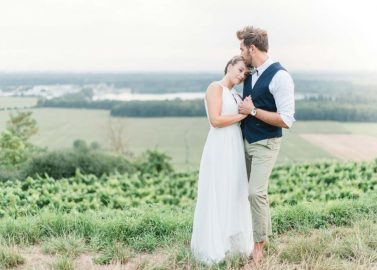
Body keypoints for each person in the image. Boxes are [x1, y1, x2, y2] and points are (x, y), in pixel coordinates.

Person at [237, 26, 295, 264]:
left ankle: (259, 247)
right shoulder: (250, 73)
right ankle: (250, 237)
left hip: (267, 143)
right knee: (244, 192)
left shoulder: (281, 76)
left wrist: (252, 110)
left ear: (252, 48)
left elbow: (286, 119)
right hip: (245, 141)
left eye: (242, 49)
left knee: (256, 192)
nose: (240, 53)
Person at [191, 56, 254, 265]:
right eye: (239, 70)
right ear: (229, 66)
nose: (241, 75)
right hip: (219, 145)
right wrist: (242, 116)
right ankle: (213, 244)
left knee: (233, 190)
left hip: (234, 146)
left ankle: (230, 242)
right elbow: (216, 120)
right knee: (218, 189)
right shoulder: (214, 88)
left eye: (244, 73)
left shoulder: (235, 95)